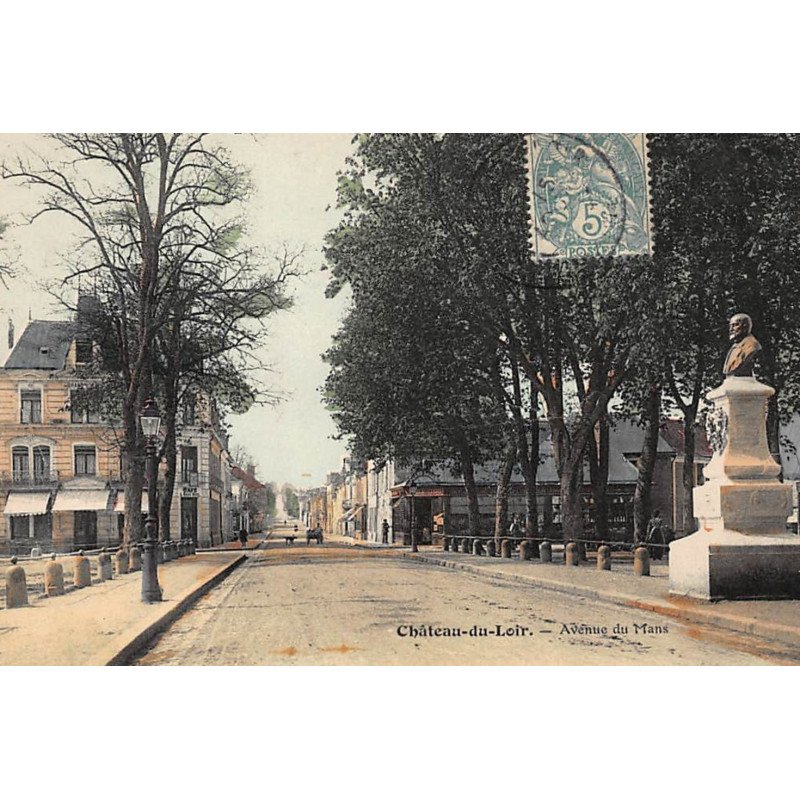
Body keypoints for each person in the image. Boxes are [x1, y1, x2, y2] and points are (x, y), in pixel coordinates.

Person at [723, 313, 762, 377]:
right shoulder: (735, 346)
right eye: (730, 326)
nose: (731, 329)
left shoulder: (752, 345)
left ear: (745, 326)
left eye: (735, 325)